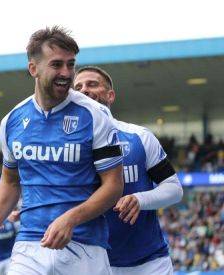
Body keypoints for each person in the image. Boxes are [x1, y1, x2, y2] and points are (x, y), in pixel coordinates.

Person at [0, 26, 124, 275]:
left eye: (71, 64)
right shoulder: (12, 120)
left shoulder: (95, 115)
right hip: (29, 246)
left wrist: (71, 218)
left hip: (85, 245)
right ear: (33, 68)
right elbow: (10, 182)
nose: (66, 73)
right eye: (57, 64)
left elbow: (113, 186)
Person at [74, 66, 183, 275]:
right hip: (93, 265)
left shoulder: (139, 137)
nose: (84, 90)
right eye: (78, 87)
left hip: (150, 263)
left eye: (92, 84)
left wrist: (139, 199)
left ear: (110, 95)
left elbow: (174, 189)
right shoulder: (68, 148)